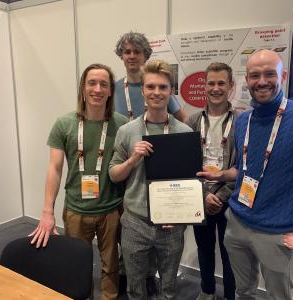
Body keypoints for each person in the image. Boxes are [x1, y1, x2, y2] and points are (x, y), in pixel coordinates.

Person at [198, 49, 293, 300]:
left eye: (270, 74)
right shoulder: (244, 121)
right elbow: (246, 170)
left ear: (283, 76)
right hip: (236, 224)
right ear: (246, 80)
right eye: (255, 75)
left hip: (276, 233)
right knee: (243, 291)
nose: (262, 81)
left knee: (277, 296)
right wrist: (222, 175)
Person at [29, 63, 128, 300]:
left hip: (111, 209)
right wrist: (47, 212)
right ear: (83, 88)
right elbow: (54, 168)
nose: (97, 89)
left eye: (104, 84)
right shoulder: (64, 124)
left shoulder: (123, 124)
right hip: (75, 209)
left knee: (111, 265)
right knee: (75, 265)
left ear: (110, 91)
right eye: (91, 83)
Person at [109, 59, 191, 300]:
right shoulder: (127, 131)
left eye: (163, 87)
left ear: (171, 91)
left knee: (168, 287)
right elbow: (114, 175)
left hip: (171, 225)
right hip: (135, 222)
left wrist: (178, 216)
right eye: (151, 87)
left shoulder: (184, 133)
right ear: (143, 90)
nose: (157, 92)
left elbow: (190, 182)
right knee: (135, 287)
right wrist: (133, 159)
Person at [186, 62, 237, 300]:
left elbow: (244, 166)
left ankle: (229, 295)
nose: (215, 88)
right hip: (201, 197)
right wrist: (204, 194)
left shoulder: (242, 121)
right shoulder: (193, 121)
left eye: (221, 83)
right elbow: (187, 163)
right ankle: (207, 291)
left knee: (230, 254)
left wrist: (222, 195)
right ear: (204, 86)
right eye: (211, 83)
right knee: (204, 250)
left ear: (231, 87)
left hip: (231, 199)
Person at [114, 31, 186, 122]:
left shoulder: (159, 87)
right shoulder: (113, 89)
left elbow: (183, 119)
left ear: (146, 55)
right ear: (122, 56)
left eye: (137, 52)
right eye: (127, 52)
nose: (132, 56)